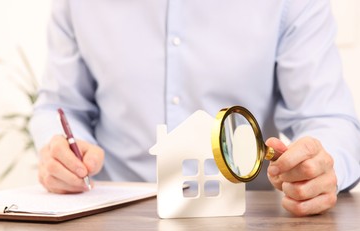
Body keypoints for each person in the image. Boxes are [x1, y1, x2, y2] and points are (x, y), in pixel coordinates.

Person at [29, 0, 360, 217]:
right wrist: (59, 149)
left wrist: (319, 167)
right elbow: (60, 107)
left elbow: (329, 119)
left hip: (245, 224)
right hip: (113, 219)